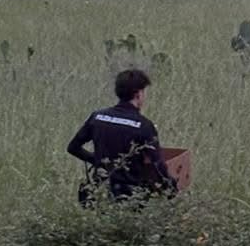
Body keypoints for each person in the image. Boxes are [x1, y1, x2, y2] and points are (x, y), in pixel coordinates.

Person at [67, 68, 175, 201]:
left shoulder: (97, 117)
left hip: (99, 193)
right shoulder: (144, 126)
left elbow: (73, 147)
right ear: (138, 94)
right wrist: (172, 188)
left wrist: (97, 162)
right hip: (130, 198)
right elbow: (158, 165)